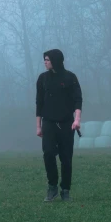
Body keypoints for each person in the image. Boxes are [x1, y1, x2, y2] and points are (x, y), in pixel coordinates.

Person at [36, 49, 82, 202]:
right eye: (45, 59)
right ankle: (52, 187)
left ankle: (65, 190)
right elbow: (39, 104)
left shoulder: (70, 78)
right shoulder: (42, 79)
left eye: (48, 59)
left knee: (66, 158)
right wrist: (38, 126)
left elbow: (78, 100)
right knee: (48, 154)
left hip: (67, 123)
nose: (45, 62)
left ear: (56, 60)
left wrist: (77, 120)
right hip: (48, 123)